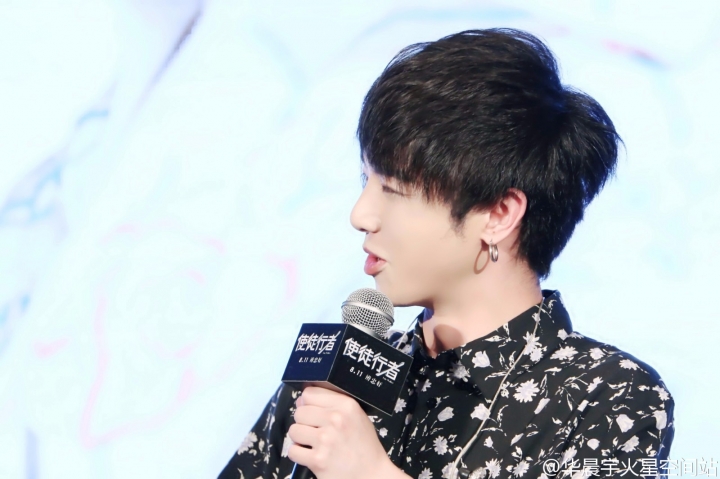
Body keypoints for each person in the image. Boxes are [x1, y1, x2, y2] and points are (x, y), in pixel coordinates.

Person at [218, 28, 674, 479]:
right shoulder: (337, 374)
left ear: (497, 214)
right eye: (365, 182)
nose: (361, 215)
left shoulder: (609, 395)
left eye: (393, 190)